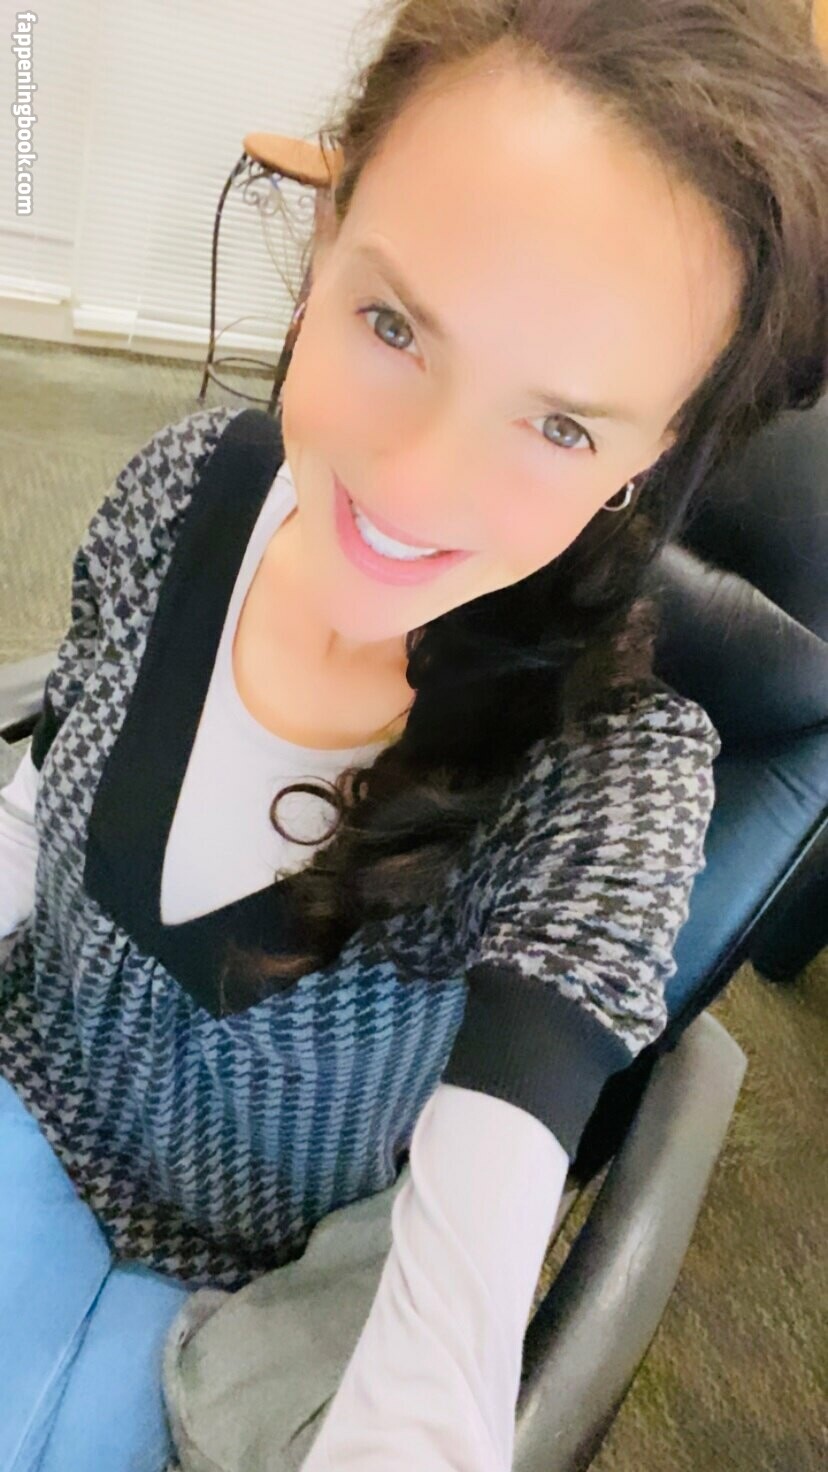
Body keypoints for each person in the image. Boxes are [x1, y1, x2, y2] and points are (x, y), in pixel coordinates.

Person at [1, 0, 826, 1468]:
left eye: (562, 424)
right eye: (393, 325)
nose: (415, 484)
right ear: (325, 242)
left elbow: (452, 1318)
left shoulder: (611, 781)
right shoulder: (181, 486)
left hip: (225, 1314)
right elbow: (47, 782)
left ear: (654, 453)